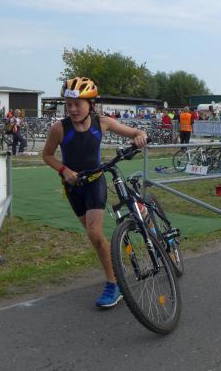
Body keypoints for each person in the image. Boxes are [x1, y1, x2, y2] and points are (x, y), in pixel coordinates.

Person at [42, 77, 147, 308]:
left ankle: (113, 283)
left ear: (91, 104)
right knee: (96, 238)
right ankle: (116, 274)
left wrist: (140, 135)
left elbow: (134, 132)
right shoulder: (60, 128)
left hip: (95, 183)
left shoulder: (102, 123)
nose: (72, 109)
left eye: (77, 104)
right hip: (73, 188)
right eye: (68, 104)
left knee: (94, 232)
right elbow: (47, 155)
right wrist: (64, 170)